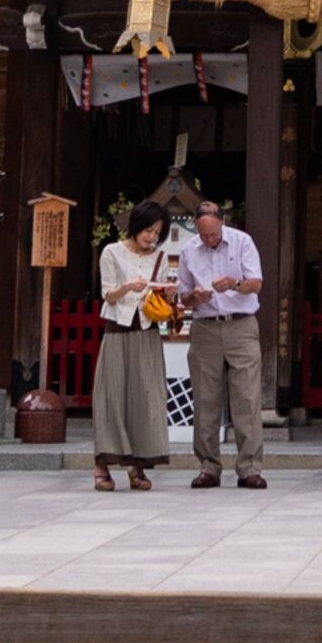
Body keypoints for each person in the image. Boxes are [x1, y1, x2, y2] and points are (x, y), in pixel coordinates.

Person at [173, 198, 268, 488]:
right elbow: (182, 297)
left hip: (241, 324)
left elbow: (256, 283)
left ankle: (250, 467)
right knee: (204, 398)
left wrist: (234, 284)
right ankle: (208, 466)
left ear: (222, 223)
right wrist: (194, 298)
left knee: (247, 396)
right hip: (205, 327)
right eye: (203, 234)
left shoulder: (242, 242)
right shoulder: (190, 251)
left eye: (213, 233)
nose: (209, 239)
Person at [89, 200, 181, 491]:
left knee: (146, 398)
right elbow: (107, 295)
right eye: (149, 230)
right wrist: (129, 286)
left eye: (157, 232)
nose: (152, 237)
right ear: (136, 225)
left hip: (147, 332)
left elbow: (160, 298)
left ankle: (136, 465)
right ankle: (102, 465)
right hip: (117, 331)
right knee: (111, 397)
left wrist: (169, 293)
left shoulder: (160, 257)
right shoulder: (112, 252)